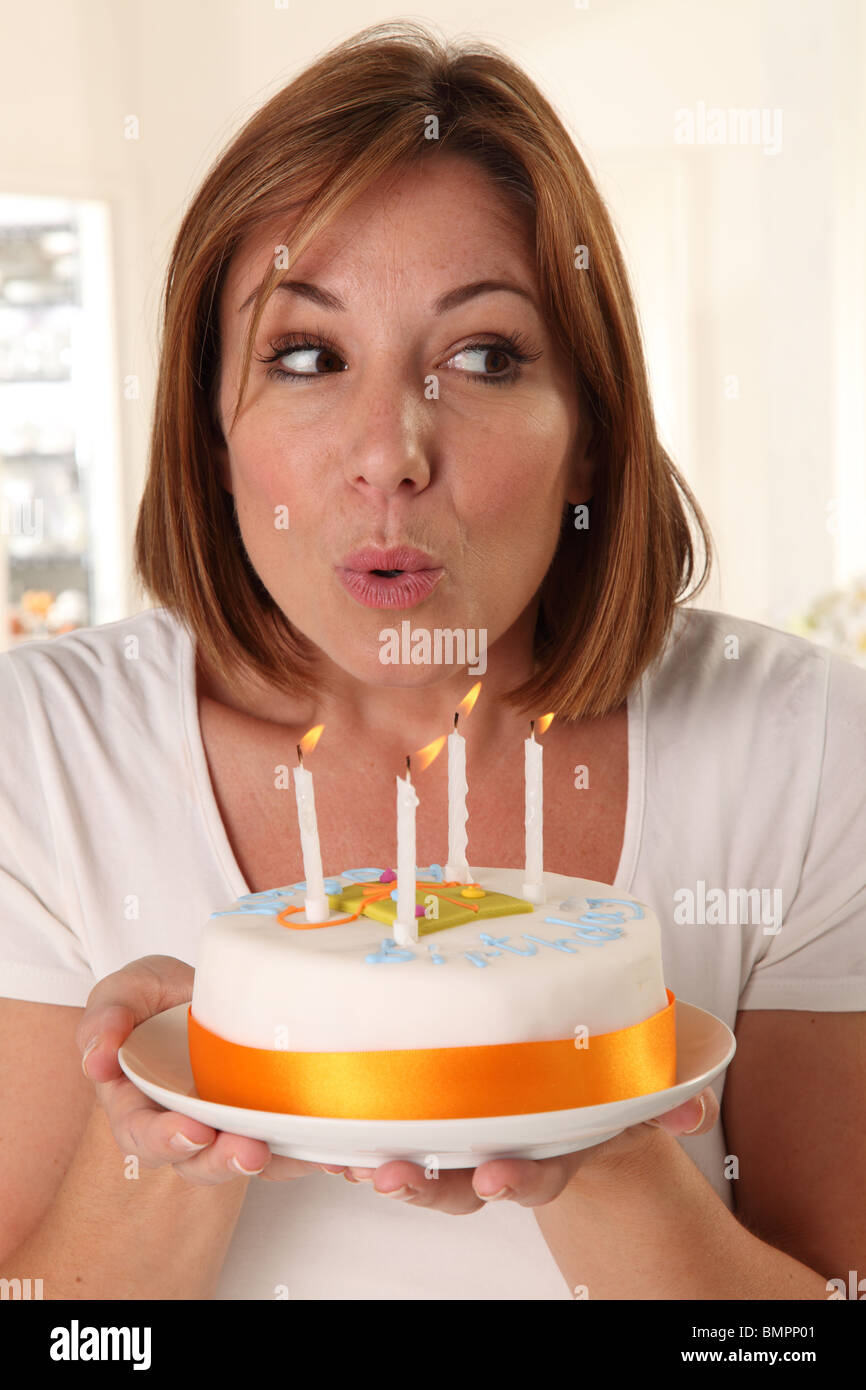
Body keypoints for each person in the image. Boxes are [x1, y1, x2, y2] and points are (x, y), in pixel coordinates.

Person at [1, 21, 863, 1301]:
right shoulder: (40, 751)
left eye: (483, 356)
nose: (390, 452)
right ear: (209, 427)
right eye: (304, 355)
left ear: (590, 432)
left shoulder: (801, 746)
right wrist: (175, 1139)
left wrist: (603, 1142)